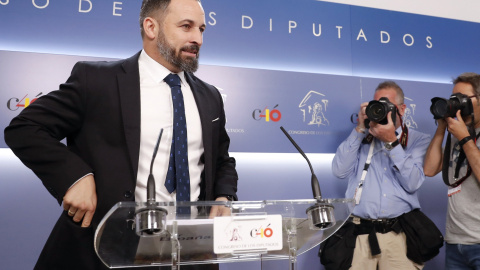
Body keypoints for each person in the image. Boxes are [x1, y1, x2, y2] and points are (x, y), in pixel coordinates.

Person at [4, 0, 238, 269]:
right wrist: (75, 176)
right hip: (106, 252)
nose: (197, 38)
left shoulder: (210, 96)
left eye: (201, 29)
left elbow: (222, 160)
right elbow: (26, 128)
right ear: (151, 27)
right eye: (186, 27)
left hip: (191, 254)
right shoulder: (96, 80)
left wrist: (224, 197)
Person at [329, 81, 431, 269]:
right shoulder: (363, 137)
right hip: (359, 236)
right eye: (377, 104)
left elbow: (413, 183)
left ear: (401, 108)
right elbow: (339, 171)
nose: (381, 109)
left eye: (387, 105)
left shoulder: (419, 140)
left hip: (398, 238)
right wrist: (360, 128)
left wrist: (391, 141)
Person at [423, 72, 480, 270]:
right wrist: (441, 128)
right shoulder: (458, 131)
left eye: (462, 99)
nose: (457, 104)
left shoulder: (463, 134)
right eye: (453, 98)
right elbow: (429, 170)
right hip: (455, 241)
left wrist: (465, 139)